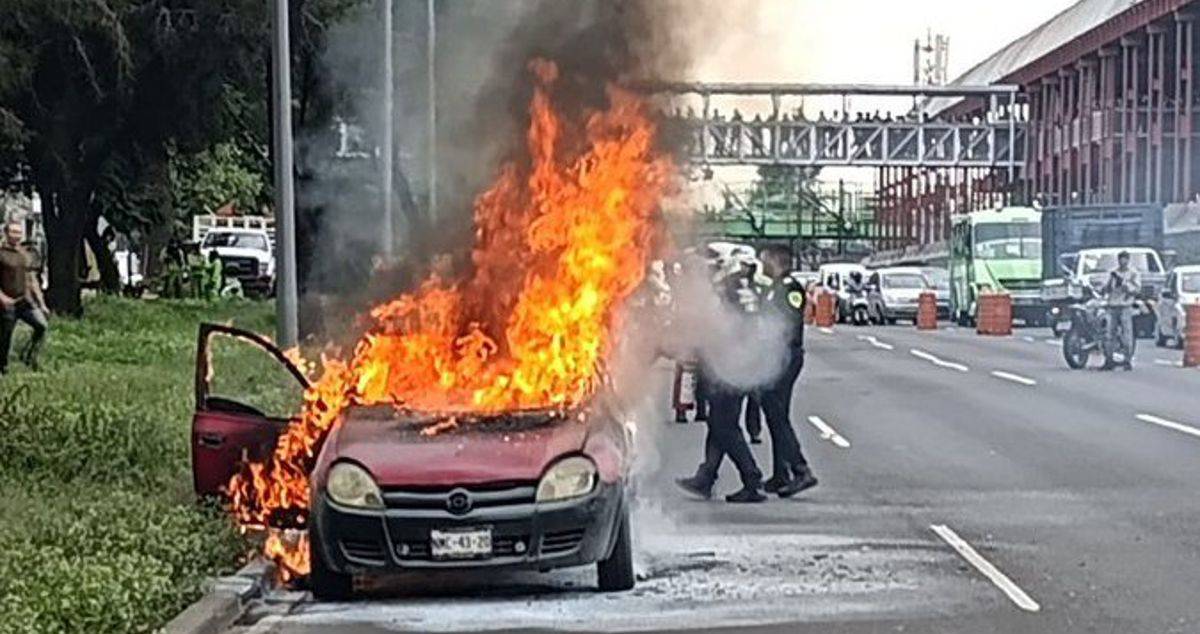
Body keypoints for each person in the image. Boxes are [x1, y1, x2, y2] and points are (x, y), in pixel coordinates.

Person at [676, 256, 767, 504]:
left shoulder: (728, 291)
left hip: (728, 364)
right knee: (720, 423)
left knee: (724, 424)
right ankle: (706, 477)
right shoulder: (749, 290)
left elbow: (716, 328)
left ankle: (752, 479)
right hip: (743, 362)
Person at [757, 245, 818, 497]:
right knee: (773, 414)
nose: (763, 267)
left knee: (778, 414)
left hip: (785, 357)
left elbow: (789, 321)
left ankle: (801, 470)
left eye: (765, 261)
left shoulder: (790, 287)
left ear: (777, 260)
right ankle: (780, 474)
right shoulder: (775, 287)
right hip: (775, 356)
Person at [0, 220, 48, 373]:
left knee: (41, 326)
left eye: (18, 232)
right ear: (6, 234)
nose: (16, 235)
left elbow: (31, 280)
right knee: (5, 337)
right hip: (7, 302)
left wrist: (41, 304)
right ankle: (3, 367)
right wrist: (2, 298)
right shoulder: (1, 253)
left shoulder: (24, 254)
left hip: (25, 301)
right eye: (13, 232)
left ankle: (29, 356)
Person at [1102, 250, 1140, 371]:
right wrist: (1108, 285)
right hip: (1112, 305)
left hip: (1125, 306)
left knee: (1127, 334)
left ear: (1128, 260)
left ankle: (1127, 360)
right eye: (1121, 258)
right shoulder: (1113, 273)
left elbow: (1137, 289)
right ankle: (1109, 359)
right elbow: (1105, 288)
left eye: (1125, 258)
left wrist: (1126, 286)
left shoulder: (1133, 273)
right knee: (1109, 334)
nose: (1123, 261)